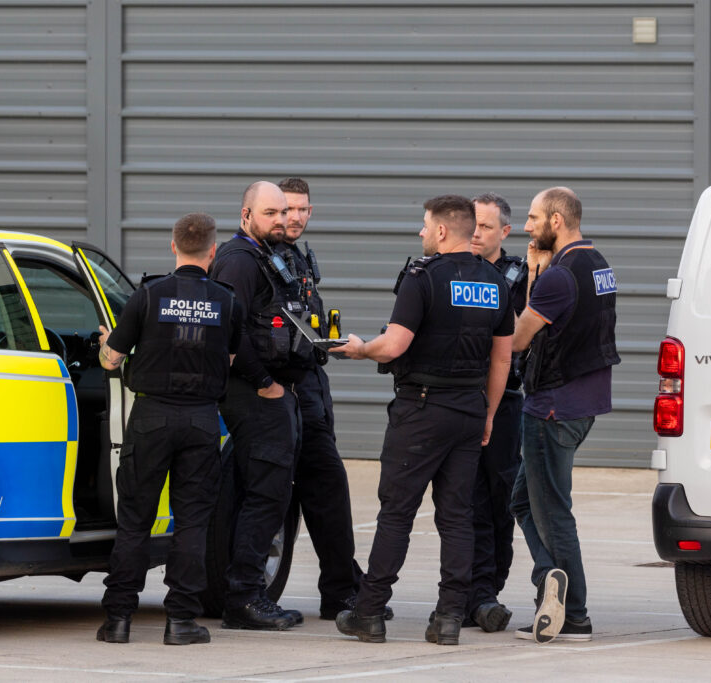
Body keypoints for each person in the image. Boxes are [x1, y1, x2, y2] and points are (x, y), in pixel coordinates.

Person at [332, 194, 513, 646]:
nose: (421, 233)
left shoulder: (423, 278)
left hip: (422, 409)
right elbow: (502, 359)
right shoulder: (495, 281)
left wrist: (358, 348)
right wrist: (488, 414)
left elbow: (393, 346)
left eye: (425, 226)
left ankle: (369, 613)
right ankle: (449, 616)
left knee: (396, 513)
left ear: (443, 231)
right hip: (469, 410)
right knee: (457, 516)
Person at [96, 212, 241, 646]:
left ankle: (119, 619)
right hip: (200, 420)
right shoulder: (227, 300)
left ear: (172, 247)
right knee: (192, 523)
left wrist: (109, 341)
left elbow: (110, 361)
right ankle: (180, 622)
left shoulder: (148, 295)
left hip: (151, 417)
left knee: (135, 520)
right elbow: (229, 361)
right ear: (213, 252)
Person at [276, 177, 393, 622]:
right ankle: (342, 588)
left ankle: (342, 585)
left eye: (302, 209)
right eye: (286, 209)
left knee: (325, 491)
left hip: (311, 388)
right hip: (285, 393)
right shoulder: (256, 259)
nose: (295, 217)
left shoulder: (296, 258)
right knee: (323, 487)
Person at [510, 187, 619, 644]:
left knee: (554, 512)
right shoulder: (598, 265)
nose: (527, 227)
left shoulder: (558, 276)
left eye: (534, 219)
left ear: (557, 220)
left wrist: (535, 274)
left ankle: (573, 613)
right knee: (523, 501)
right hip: (584, 404)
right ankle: (552, 581)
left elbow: (518, 339)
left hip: (552, 408)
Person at [208, 181, 305, 630]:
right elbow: (226, 329)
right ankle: (245, 597)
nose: (281, 220)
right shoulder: (238, 260)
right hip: (252, 394)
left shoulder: (269, 256)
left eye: (283, 212)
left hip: (273, 391)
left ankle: (246, 592)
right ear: (246, 215)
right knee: (265, 495)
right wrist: (265, 382)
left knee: (268, 494)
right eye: (270, 213)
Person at [464, 192, 528, 632]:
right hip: (461, 401)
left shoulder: (524, 277)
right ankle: (474, 592)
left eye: (485, 227)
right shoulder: (452, 268)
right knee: (465, 501)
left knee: (500, 498)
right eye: (471, 225)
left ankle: (488, 589)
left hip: (504, 404)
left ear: (504, 232)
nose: (475, 233)